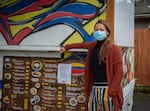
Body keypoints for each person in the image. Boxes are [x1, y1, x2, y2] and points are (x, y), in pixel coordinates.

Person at [60, 20, 123, 111]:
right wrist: (66, 47)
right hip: (94, 89)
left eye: (101, 30)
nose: (98, 32)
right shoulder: (92, 46)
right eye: (96, 29)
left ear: (107, 33)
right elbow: (81, 45)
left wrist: (111, 92)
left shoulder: (114, 49)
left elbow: (119, 73)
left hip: (108, 90)